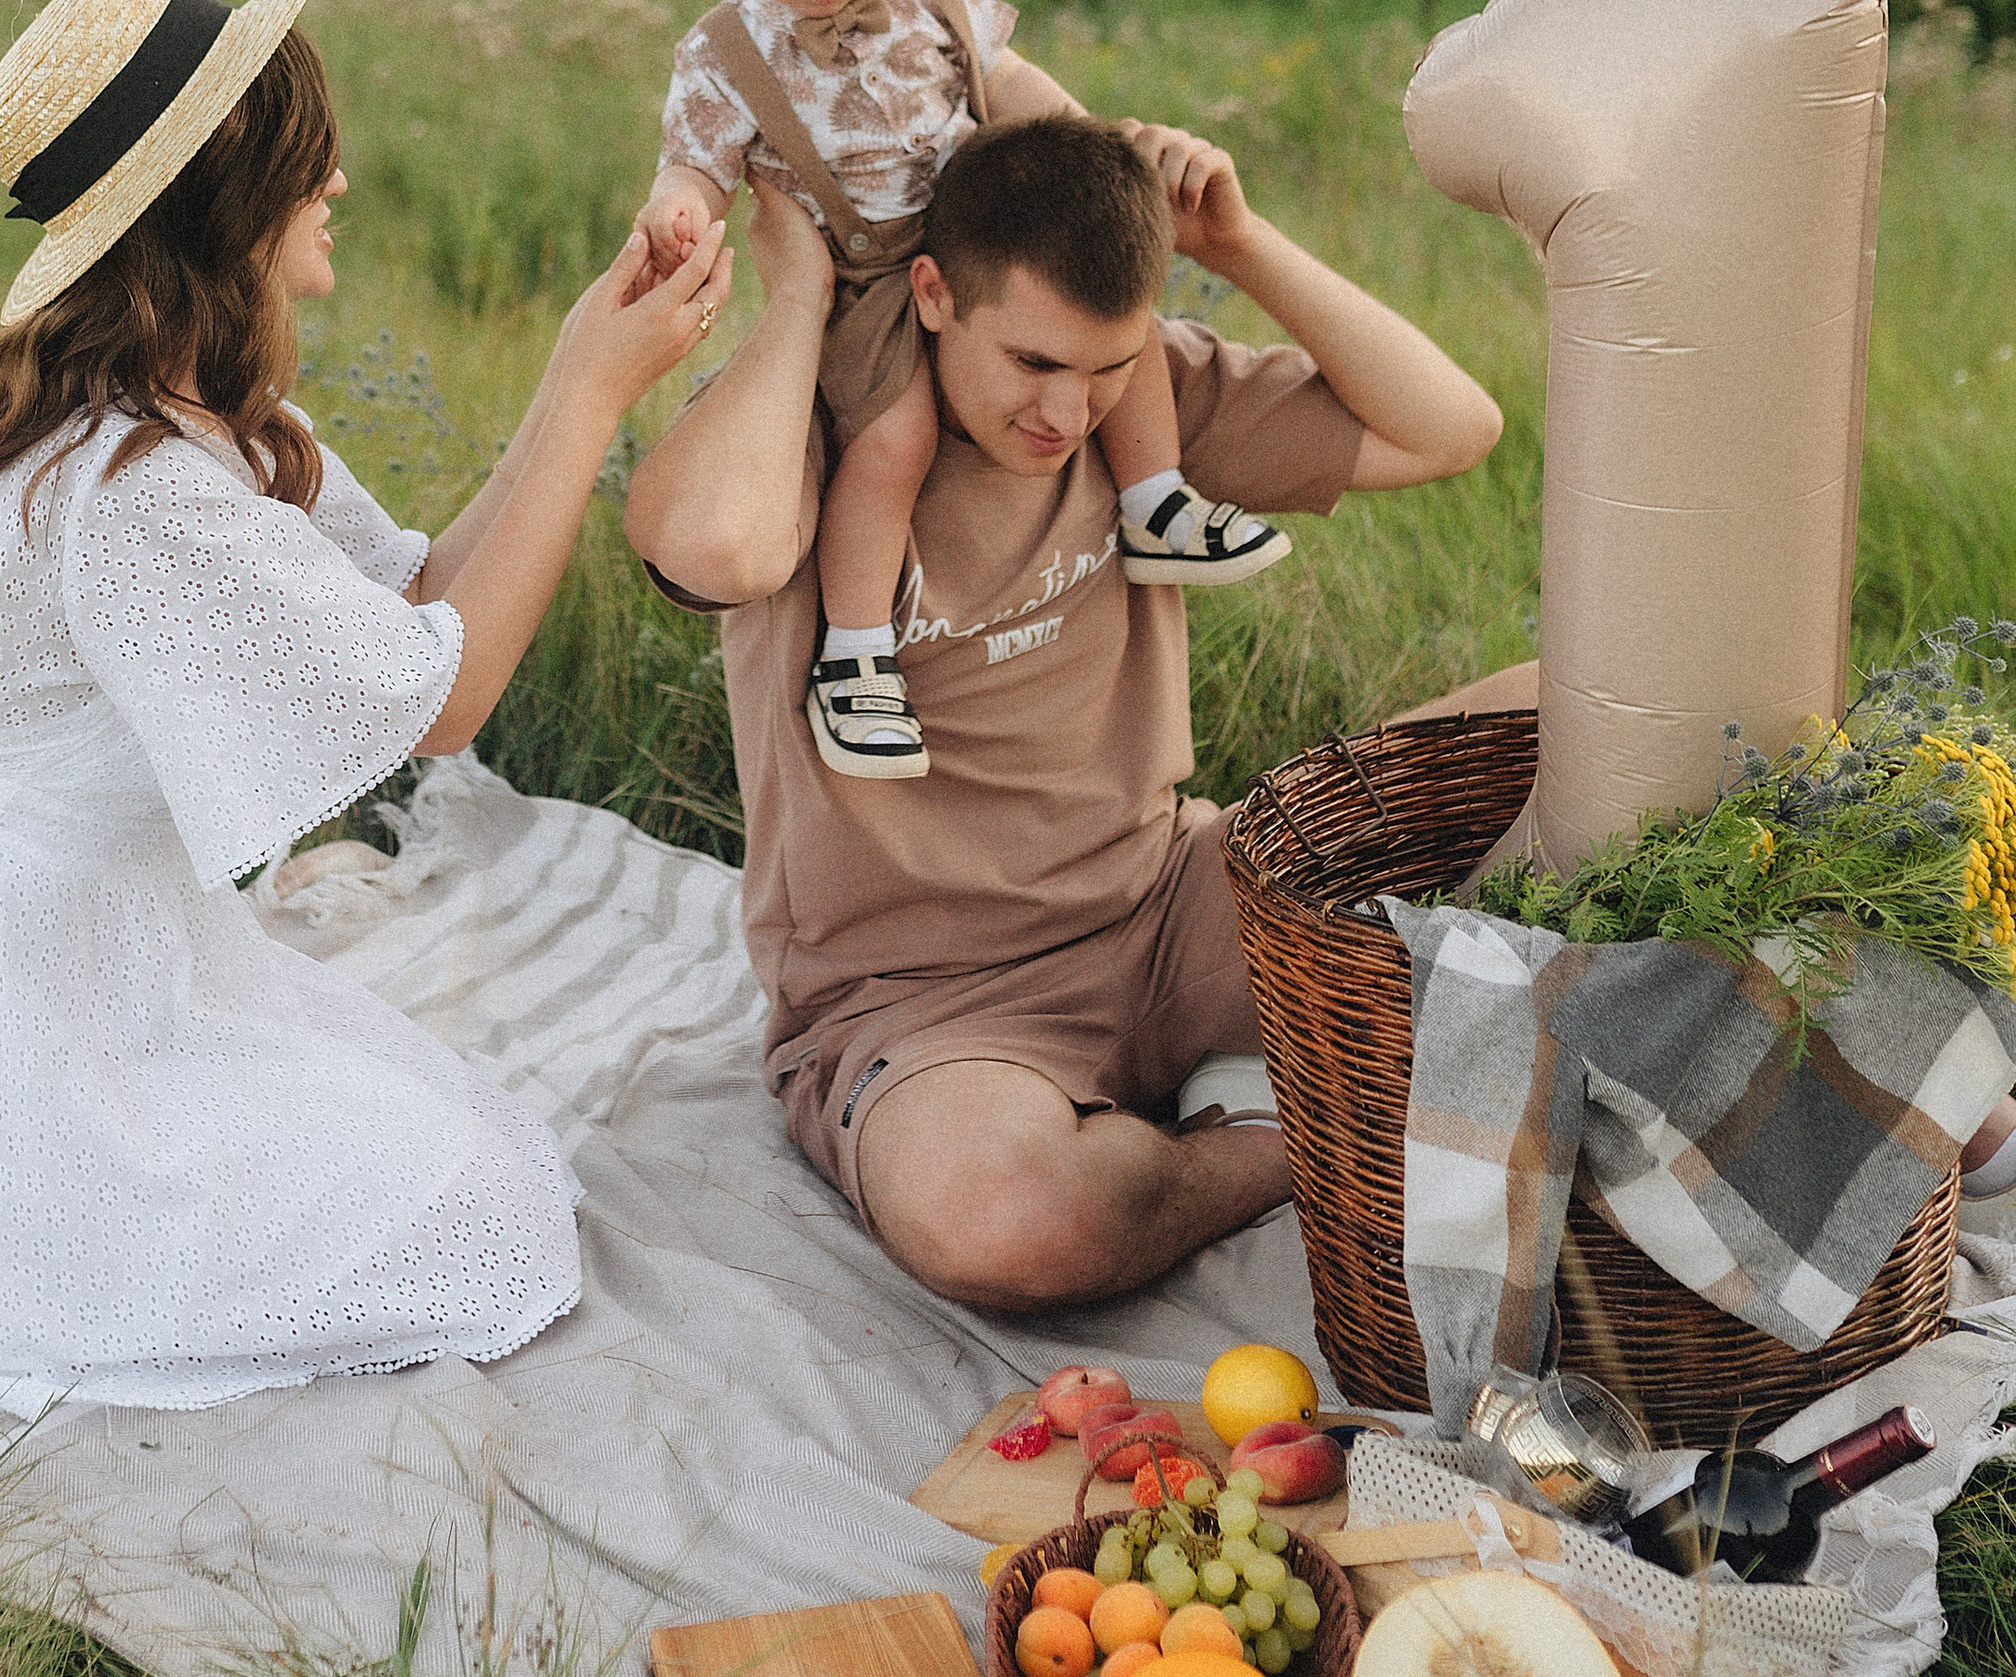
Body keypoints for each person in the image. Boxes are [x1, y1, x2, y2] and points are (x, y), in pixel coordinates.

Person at [0, 0, 730, 1407]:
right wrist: (600, 397)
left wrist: (570, 369)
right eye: (309, 157)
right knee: (478, 1218)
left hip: (48, 951)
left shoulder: (181, 415)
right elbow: (446, 703)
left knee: (449, 1140)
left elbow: (414, 595)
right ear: (222, 205)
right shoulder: (130, 492)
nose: (342, 183)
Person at [623, 109, 1503, 1314]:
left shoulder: (1139, 395)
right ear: (931, 293)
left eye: (1105, 369)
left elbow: (1452, 428)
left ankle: (1260, 1070)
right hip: (929, 1004)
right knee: (1006, 1222)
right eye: (1033, 365)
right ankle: (1267, 1135)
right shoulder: (815, 431)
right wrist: (799, 296)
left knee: (1565, 715)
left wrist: (1239, 247)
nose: (1067, 414)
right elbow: (709, 544)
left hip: (1174, 899)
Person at [638, 0, 1286, 787]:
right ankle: (857, 654)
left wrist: (1098, 144)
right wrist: (676, 209)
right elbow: (696, 165)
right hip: (859, 281)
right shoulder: (720, 55)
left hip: (975, 235)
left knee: (1110, 333)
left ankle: (1155, 500)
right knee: (891, 438)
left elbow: (1011, 73)